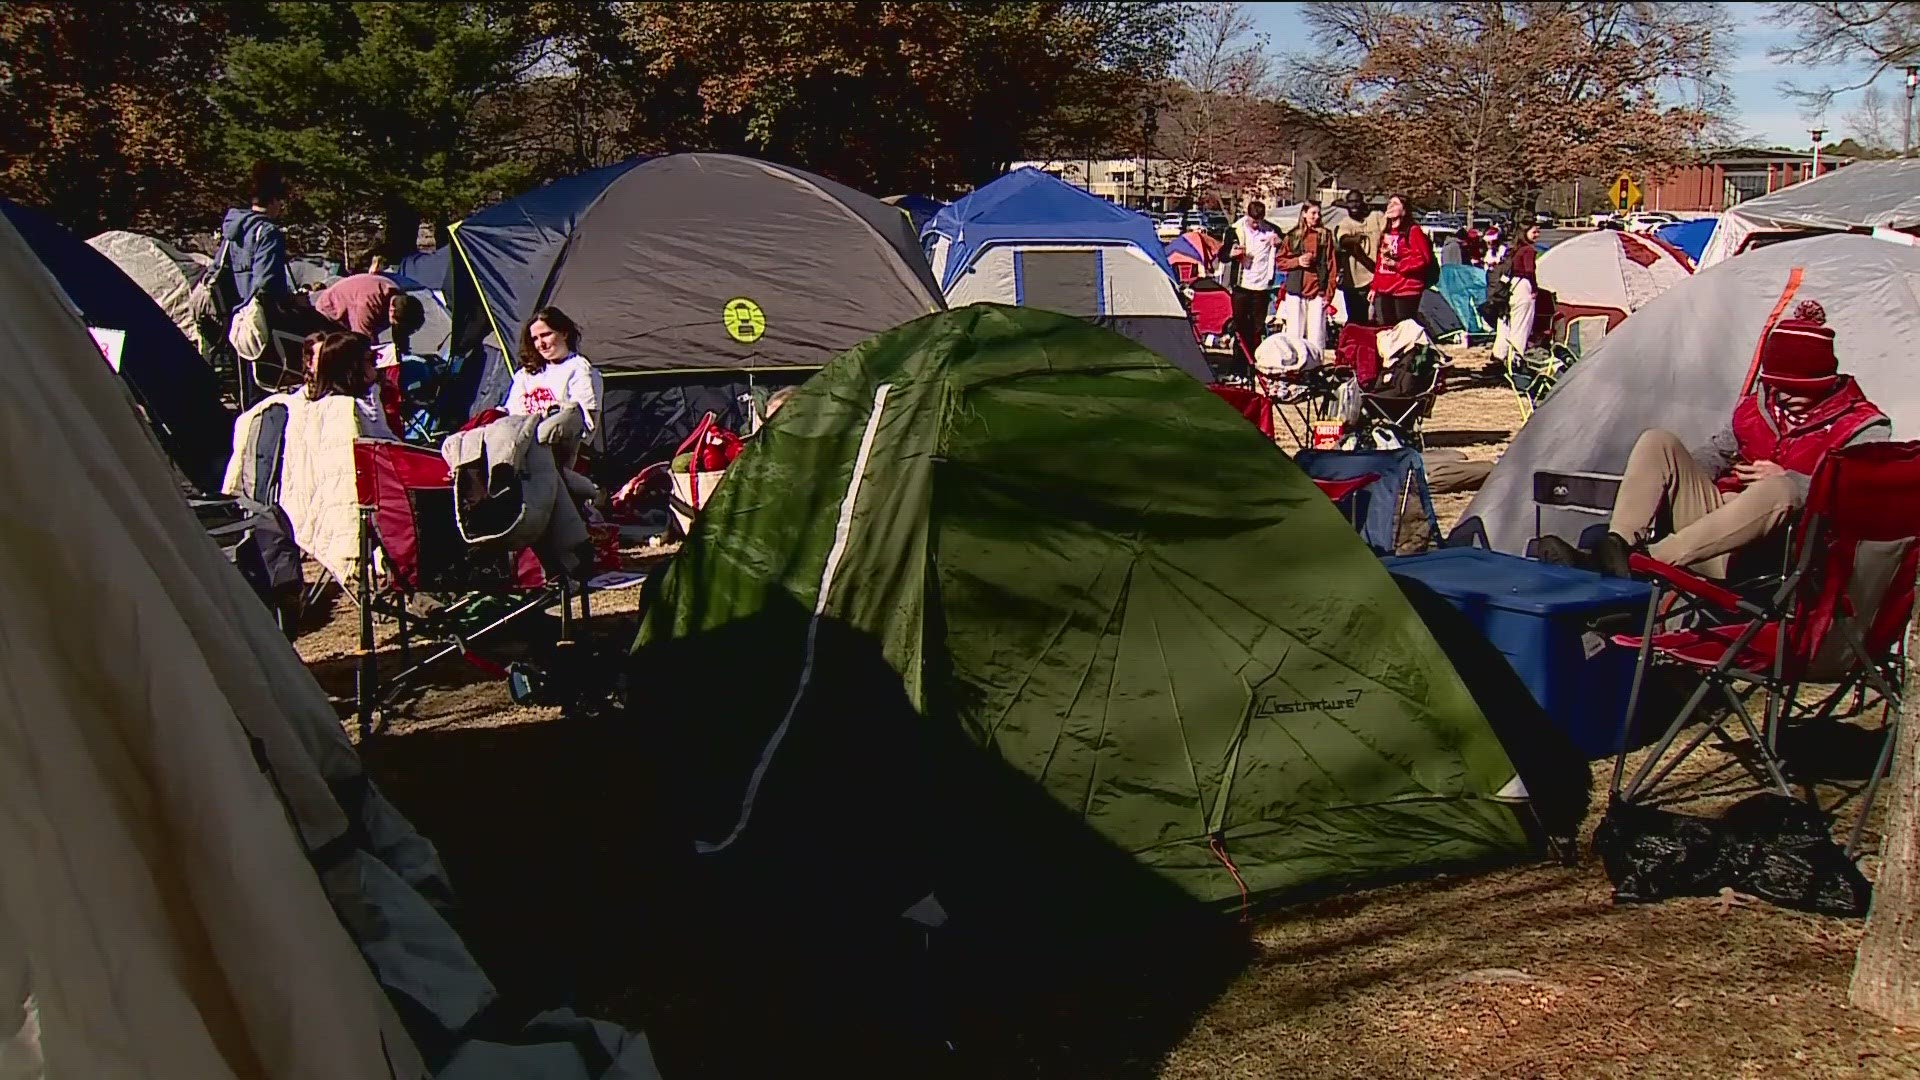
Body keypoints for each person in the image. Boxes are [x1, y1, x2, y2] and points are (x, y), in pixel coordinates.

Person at [1540, 305, 1889, 579]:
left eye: (1797, 389)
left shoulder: (1861, 426)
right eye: (1777, 386)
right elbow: (1716, 452)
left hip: (1771, 549)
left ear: (1824, 381)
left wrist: (1789, 479)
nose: (1783, 396)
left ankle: (1646, 562)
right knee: (1658, 441)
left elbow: (1859, 497)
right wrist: (1685, 479)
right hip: (1713, 523)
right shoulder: (1759, 406)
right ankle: (1618, 548)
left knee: (1780, 489)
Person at [508, 306, 604, 439]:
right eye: (535, 338)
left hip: (554, 445)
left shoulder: (579, 368)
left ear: (564, 333)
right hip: (519, 437)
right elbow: (511, 413)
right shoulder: (526, 373)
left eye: (546, 335)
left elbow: (585, 426)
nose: (540, 344)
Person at [221, 162, 292, 309]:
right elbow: (265, 283)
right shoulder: (268, 232)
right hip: (259, 313)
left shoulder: (235, 229)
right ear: (273, 201)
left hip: (235, 311)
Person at [303, 331, 397, 441]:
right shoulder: (340, 409)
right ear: (353, 367)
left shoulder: (371, 395)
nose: (376, 365)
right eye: (371, 359)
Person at [1277, 202, 1339, 357]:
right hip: (1296, 291)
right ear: (1304, 214)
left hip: (1318, 291)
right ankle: (1294, 367)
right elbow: (1280, 262)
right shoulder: (1293, 236)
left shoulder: (1325, 236)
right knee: (1294, 333)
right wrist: (1297, 261)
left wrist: (1329, 293)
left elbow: (1332, 265)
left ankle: (1315, 368)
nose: (1316, 217)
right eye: (1313, 213)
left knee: (1316, 334)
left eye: (1318, 214)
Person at [1228, 201, 1282, 369]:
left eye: (1259, 221)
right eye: (1253, 221)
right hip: (1241, 286)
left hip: (1262, 287)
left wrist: (1279, 243)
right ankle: (1238, 363)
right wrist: (1232, 253)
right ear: (1247, 216)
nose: (1256, 225)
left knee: (1257, 328)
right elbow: (1222, 255)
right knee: (1240, 326)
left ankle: (1255, 362)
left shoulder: (1272, 230)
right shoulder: (1235, 230)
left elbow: (1286, 245)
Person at [1369, 195, 1433, 327]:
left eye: (1396, 203)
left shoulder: (1413, 231)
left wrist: (1398, 264)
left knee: (1404, 330)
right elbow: (1380, 262)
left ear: (1404, 211)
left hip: (1406, 289)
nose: (1390, 206)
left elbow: (1423, 259)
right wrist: (1374, 287)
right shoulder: (1385, 233)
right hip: (1385, 289)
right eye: (1389, 203)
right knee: (1386, 328)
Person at [1491, 223, 1541, 364]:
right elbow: (1530, 271)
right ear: (1525, 232)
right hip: (1523, 286)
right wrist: (1534, 289)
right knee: (1521, 326)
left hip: (1509, 286)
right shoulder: (1528, 251)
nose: (1537, 235)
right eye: (1534, 232)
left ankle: (1499, 357)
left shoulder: (1514, 250)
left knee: (1506, 324)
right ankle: (1515, 360)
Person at [312, 272, 413, 340]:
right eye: (396, 323)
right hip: (329, 312)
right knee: (346, 348)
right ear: (392, 311)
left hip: (355, 297)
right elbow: (362, 338)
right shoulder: (368, 304)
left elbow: (401, 327)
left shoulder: (399, 296)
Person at [1335, 190, 1385, 325]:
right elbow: (1344, 241)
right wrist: (1353, 240)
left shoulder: (1376, 217)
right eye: (1350, 202)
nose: (1354, 205)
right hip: (1356, 282)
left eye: (1357, 201)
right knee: (1357, 318)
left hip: (1378, 278)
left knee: (1379, 319)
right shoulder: (1345, 223)